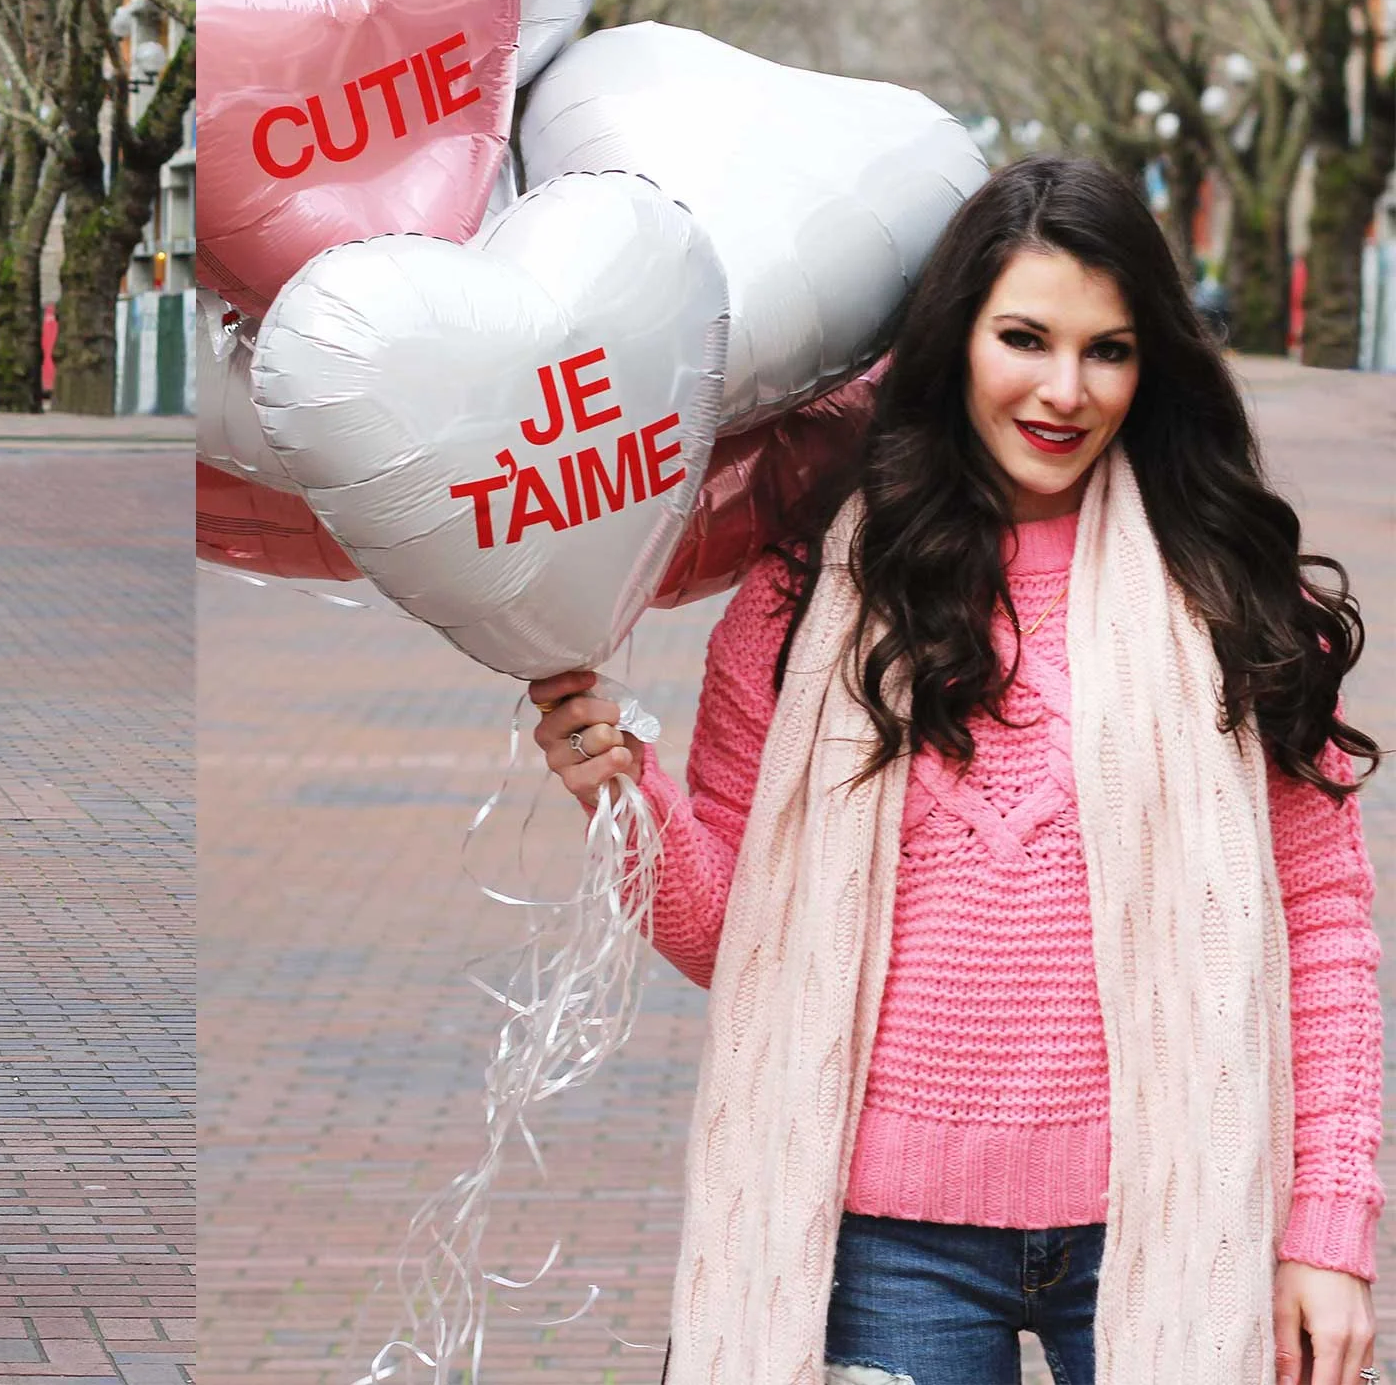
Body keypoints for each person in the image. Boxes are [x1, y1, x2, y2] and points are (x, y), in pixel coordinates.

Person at [532, 157, 1381, 1383]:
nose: (1063, 389)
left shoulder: (1235, 600)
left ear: (1153, 369)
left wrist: (1331, 1233)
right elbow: (738, 935)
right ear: (954, 344)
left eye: (1109, 350)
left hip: (1182, 1207)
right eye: (1024, 338)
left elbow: (1326, 929)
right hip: (886, 1244)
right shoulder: (803, 600)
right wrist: (622, 793)